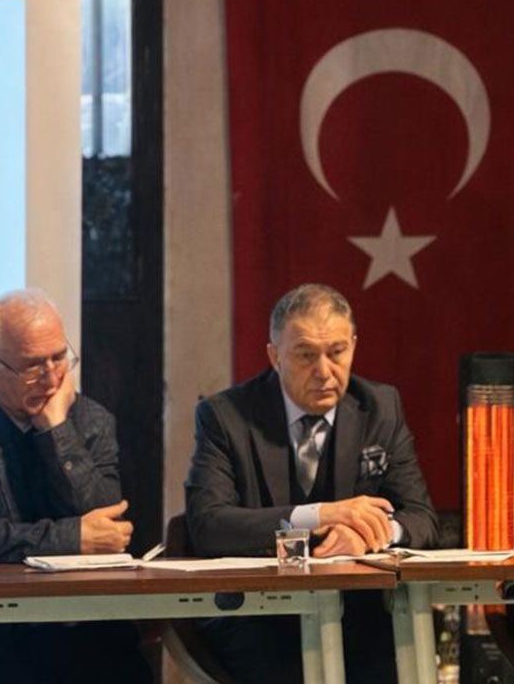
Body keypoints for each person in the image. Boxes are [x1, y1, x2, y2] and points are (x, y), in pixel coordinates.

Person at [186, 283, 438, 683]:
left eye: (337, 352)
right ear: (275, 356)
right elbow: (208, 525)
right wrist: (319, 515)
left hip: (357, 613)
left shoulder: (380, 407)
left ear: (353, 346)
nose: (324, 371)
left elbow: (422, 518)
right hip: (259, 614)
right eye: (305, 355)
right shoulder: (224, 416)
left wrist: (373, 534)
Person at [0, 289, 149, 683]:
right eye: (32, 366)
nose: (52, 379)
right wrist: (68, 538)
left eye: (60, 358)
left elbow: (107, 526)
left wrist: (57, 430)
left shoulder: (90, 419)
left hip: (78, 622)